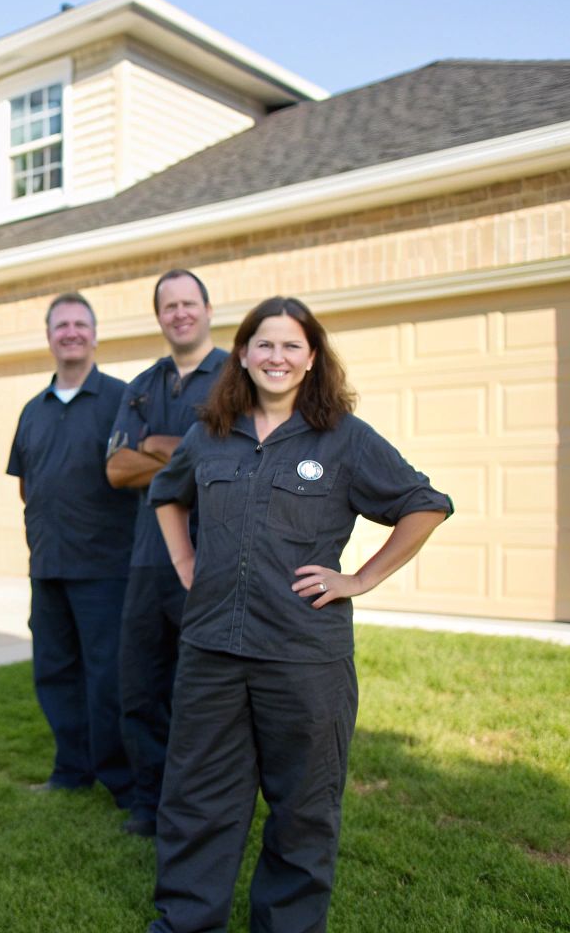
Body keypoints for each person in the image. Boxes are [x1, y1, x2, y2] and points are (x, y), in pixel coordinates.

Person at [146, 296, 451, 932]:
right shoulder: (210, 434)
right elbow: (166, 493)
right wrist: (185, 565)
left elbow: (425, 504)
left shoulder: (345, 438)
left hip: (304, 658)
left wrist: (361, 578)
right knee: (197, 802)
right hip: (211, 654)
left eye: (290, 345)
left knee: (303, 810)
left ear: (312, 358)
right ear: (243, 354)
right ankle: (184, 924)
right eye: (263, 343)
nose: (275, 356)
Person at [105, 269, 228, 836]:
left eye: (189, 303)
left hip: (213, 559)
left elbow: (232, 460)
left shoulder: (236, 378)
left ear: (206, 308)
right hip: (146, 562)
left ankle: (197, 804)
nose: (180, 313)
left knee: (200, 693)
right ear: (159, 316)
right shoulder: (141, 386)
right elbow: (115, 468)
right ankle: (149, 805)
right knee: (141, 688)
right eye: (168, 305)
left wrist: (154, 447)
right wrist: (182, 453)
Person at [6, 292, 138, 805]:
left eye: (80, 324)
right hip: (48, 566)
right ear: (49, 336)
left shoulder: (122, 400)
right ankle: (71, 769)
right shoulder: (31, 411)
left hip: (106, 567)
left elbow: (137, 472)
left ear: (95, 334)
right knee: (55, 674)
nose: (71, 332)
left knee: (109, 681)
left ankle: (124, 780)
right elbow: (27, 483)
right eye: (62, 325)